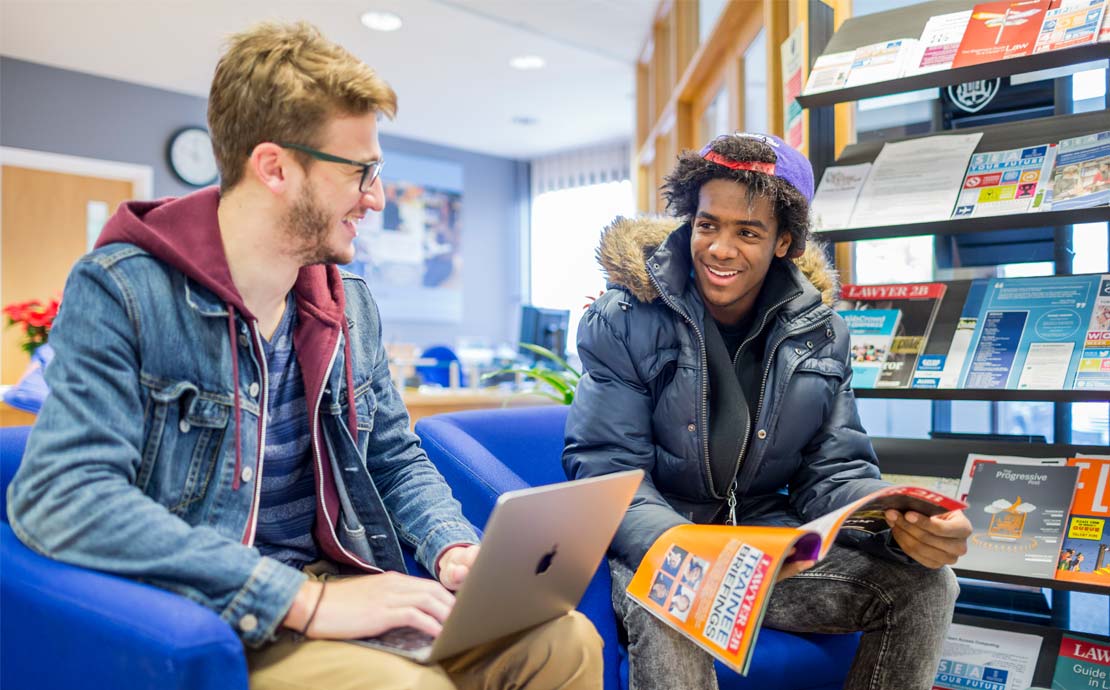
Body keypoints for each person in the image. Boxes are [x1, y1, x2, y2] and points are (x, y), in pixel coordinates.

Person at [7, 21, 601, 690]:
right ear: (275, 167)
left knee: (565, 641)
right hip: (221, 609)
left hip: (343, 588)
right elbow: (65, 496)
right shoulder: (122, 290)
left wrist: (452, 546)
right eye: (361, 172)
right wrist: (305, 600)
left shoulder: (348, 303)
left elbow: (394, 458)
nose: (375, 197)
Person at [563, 132, 972, 690]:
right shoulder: (625, 318)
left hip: (763, 550)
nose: (719, 249)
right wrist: (690, 549)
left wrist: (899, 525)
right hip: (658, 545)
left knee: (929, 583)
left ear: (785, 243)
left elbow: (834, 473)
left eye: (748, 232)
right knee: (680, 600)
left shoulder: (823, 334)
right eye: (708, 225)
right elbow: (607, 467)